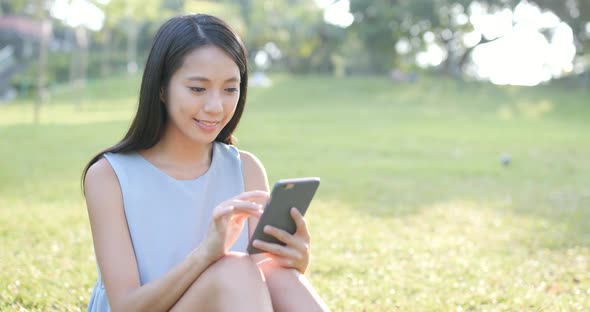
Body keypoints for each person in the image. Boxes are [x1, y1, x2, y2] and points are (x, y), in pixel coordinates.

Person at [82, 14, 329, 311]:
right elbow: (127, 307)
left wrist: (294, 262)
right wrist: (205, 255)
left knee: (279, 276)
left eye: (230, 89)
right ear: (161, 88)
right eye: (198, 89)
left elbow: (263, 286)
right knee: (235, 269)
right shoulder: (109, 176)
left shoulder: (246, 169)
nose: (215, 107)